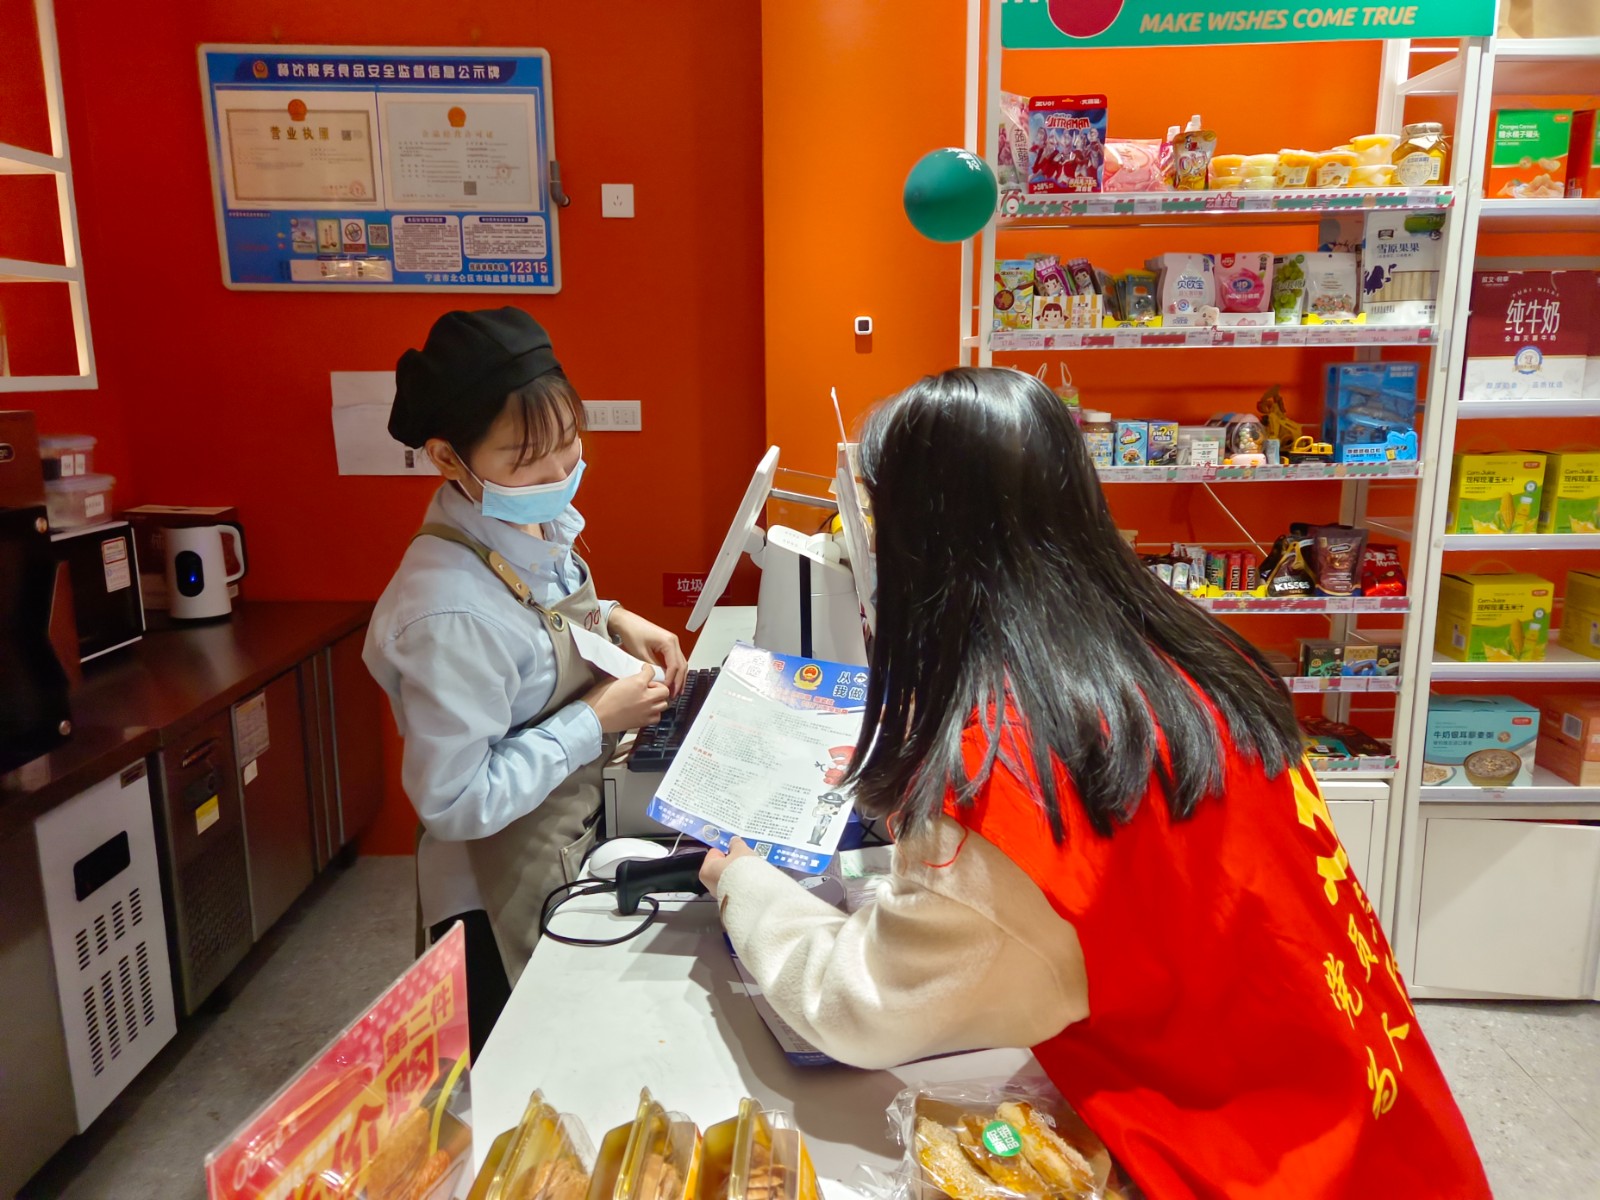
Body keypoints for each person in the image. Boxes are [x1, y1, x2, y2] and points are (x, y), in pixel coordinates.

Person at [700, 367, 1490, 1199]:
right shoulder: (1194, 658)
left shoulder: (1006, 776)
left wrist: (740, 879)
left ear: (919, 545)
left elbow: (863, 1005)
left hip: (1254, 1167)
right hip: (1385, 1132)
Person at [366, 307, 686, 1056]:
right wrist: (595, 718)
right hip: (493, 891)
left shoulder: (521, 521)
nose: (560, 474)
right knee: (531, 1074)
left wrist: (612, 617)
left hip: (567, 834)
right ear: (448, 458)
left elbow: (535, 621)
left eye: (569, 442)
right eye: (527, 459)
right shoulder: (444, 610)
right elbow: (456, 800)